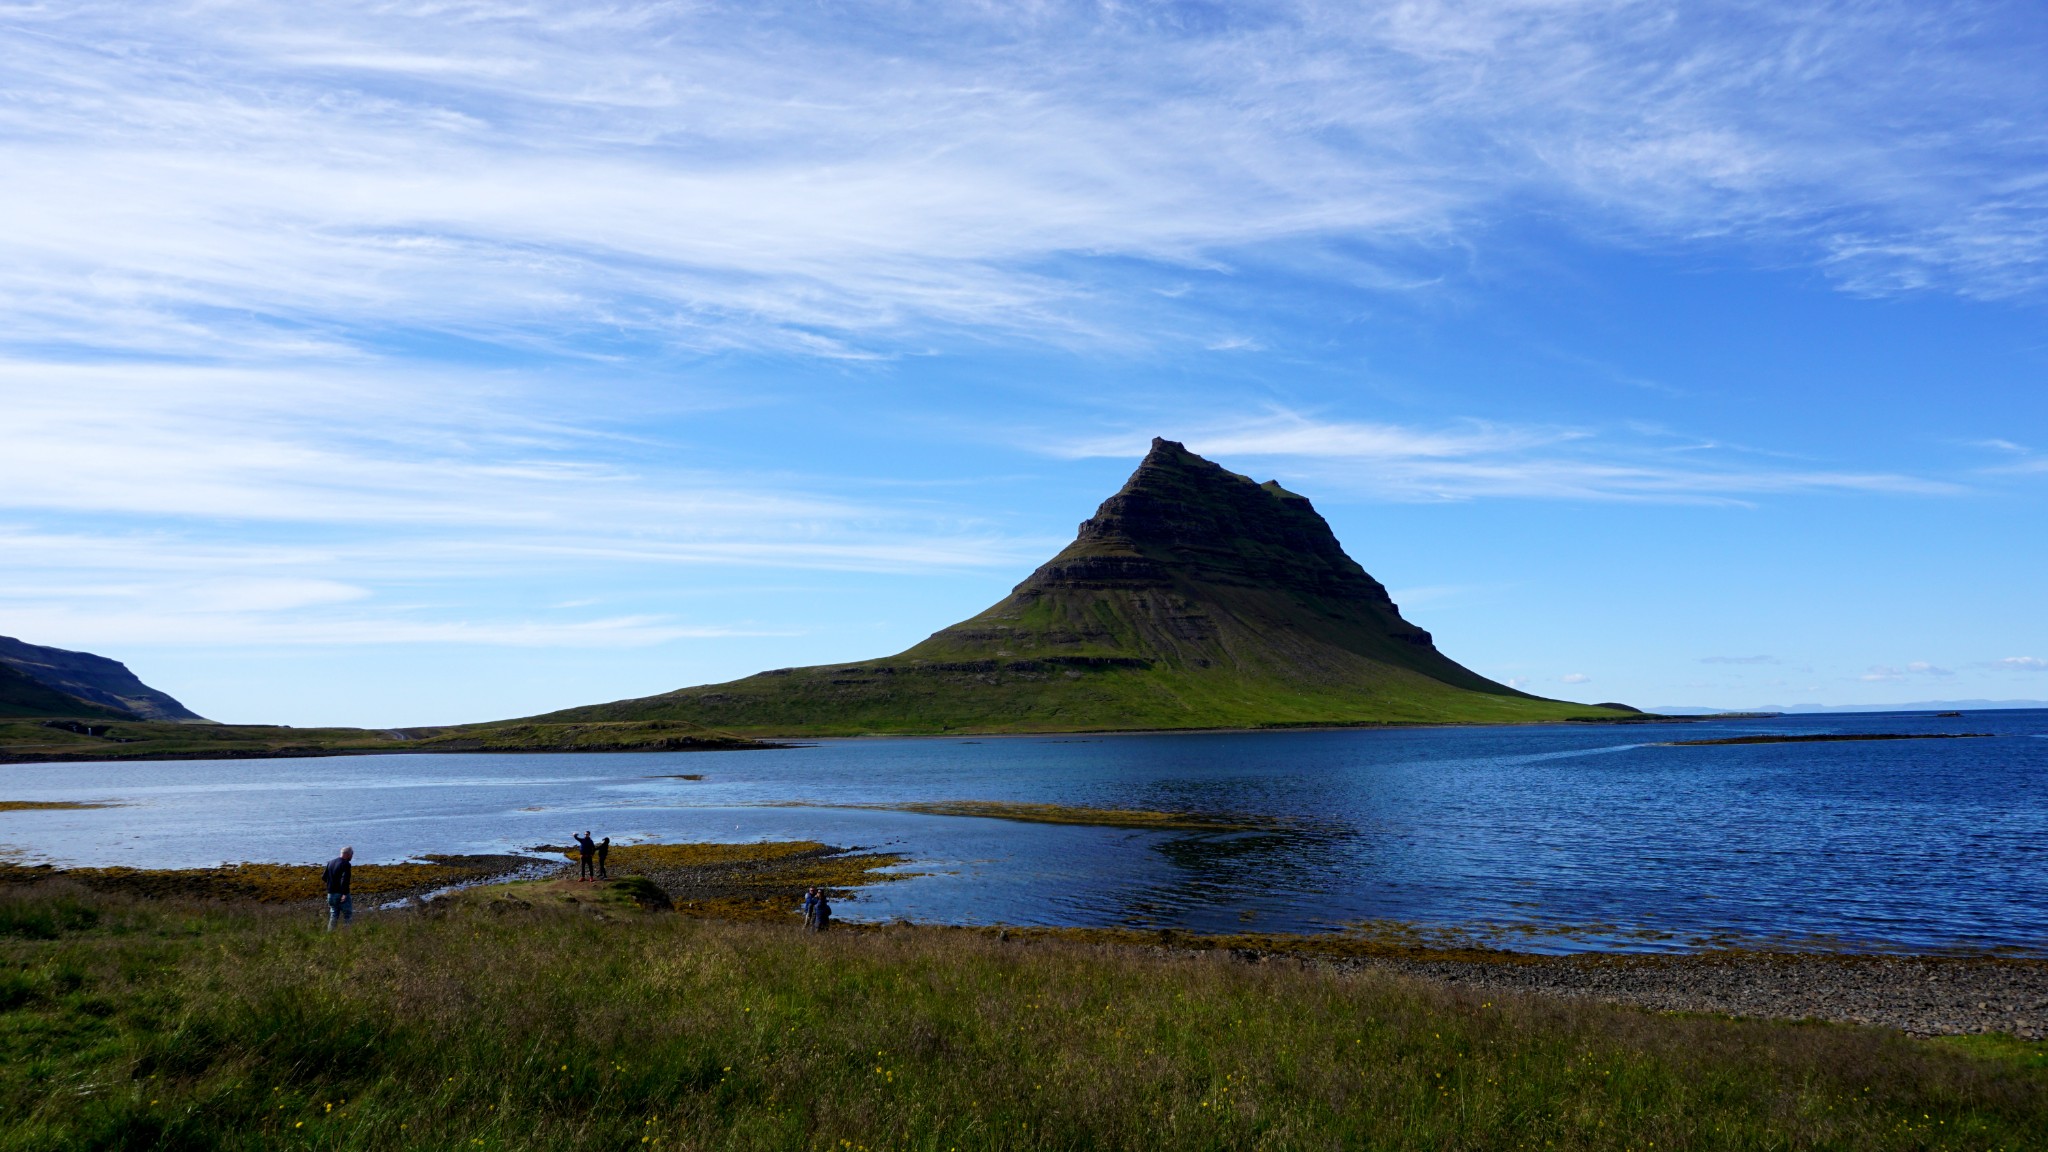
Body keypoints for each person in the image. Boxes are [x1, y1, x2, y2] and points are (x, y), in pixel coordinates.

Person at [323, 846, 353, 931]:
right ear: (347, 854)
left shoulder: (330, 863)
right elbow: (345, 879)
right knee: (348, 915)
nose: (352, 857)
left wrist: (332, 884)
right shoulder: (346, 864)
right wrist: (344, 893)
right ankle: (346, 935)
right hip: (341, 894)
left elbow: (324, 877)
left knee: (334, 915)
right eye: (351, 855)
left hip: (330, 894)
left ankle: (330, 935)